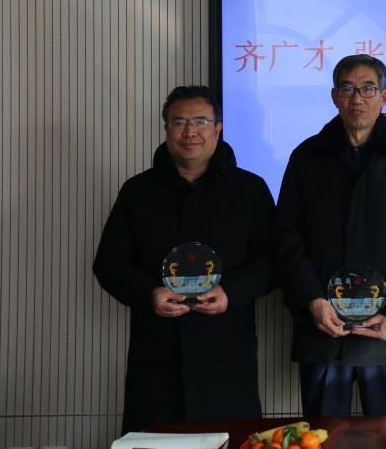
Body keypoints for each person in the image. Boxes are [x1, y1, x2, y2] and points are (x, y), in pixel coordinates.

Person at [93, 85, 274, 432]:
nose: (190, 132)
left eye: (200, 121)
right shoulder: (138, 192)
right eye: (179, 122)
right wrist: (149, 293)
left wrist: (231, 292)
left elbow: (272, 262)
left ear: (218, 128)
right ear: (166, 129)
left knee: (230, 439)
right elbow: (109, 264)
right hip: (156, 353)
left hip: (226, 351)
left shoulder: (250, 190)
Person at [271, 54, 386, 416]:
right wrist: (312, 300)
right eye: (347, 89)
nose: (357, 98)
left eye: (368, 89)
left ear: (384, 96)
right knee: (322, 437)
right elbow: (286, 237)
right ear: (334, 96)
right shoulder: (307, 157)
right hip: (323, 328)